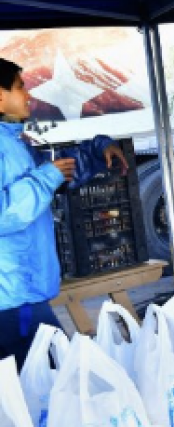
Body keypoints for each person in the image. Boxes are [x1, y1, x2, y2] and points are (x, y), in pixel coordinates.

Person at [0, 58, 128, 368]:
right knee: (48, 387)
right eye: (20, 88)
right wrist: (47, 177)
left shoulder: (14, 140)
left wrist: (99, 149)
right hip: (11, 299)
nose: (29, 95)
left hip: (24, 292)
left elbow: (58, 168)